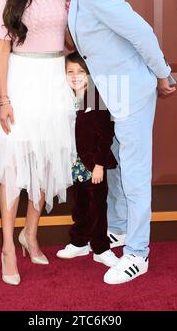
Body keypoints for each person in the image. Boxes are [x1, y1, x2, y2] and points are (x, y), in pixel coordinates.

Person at [47, 0, 176, 284]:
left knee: (134, 175)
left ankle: (138, 253)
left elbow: (141, 31)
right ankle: (117, 228)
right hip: (105, 90)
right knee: (114, 166)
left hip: (130, 89)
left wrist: (162, 74)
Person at [0, 0, 76, 285]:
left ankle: (31, 234)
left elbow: (71, 37)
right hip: (21, 82)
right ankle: (9, 246)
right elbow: (1, 49)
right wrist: (5, 100)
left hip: (54, 81)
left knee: (46, 161)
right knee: (13, 164)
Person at [56, 51, 119, 267]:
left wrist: (100, 164)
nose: (75, 76)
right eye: (70, 71)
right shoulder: (64, 98)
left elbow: (105, 134)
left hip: (93, 164)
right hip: (73, 163)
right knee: (80, 203)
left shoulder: (96, 98)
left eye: (80, 71)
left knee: (97, 205)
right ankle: (79, 242)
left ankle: (101, 248)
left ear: (89, 74)